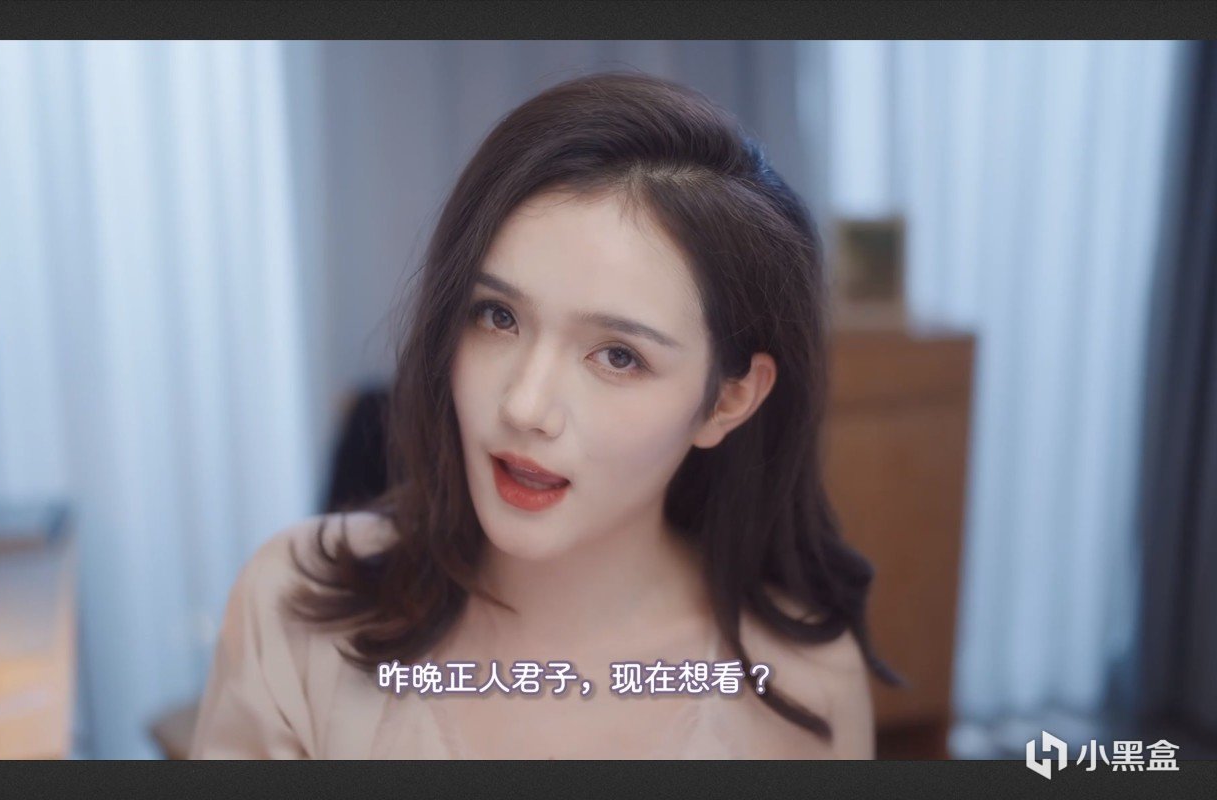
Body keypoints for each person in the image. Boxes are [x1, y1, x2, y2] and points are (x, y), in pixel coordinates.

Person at [190, 71, 899, 760]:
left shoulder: (801, 685)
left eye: (618, 356)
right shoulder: (297, 607)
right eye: (497, 316)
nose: (524, 406)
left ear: (727, 400)